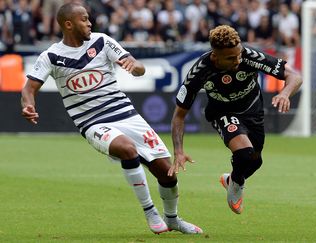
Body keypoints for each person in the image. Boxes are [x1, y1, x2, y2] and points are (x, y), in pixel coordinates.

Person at [20, 2, 202, 234]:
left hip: (126, 114)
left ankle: (173, 219)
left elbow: (137, 66)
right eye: (84, 19)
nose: (89, 23)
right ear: (68, 24)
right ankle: (150, 212)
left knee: (167, 173)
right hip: (93, 122)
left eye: (88, 19)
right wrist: (28, 106)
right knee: (127, 149)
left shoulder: (102, 41)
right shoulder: (51, 56)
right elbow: (29, 89)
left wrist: (135, 67)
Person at [169, 25, 302, 214]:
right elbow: (178, 116)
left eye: (238, 54)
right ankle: (237, 186)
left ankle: (232, 179)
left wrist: (285, 93)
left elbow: (294, 76)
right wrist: (179, 151)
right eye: (231, 58)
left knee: (255, 161)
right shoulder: (200, 71)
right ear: (215, 56)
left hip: (252, 111)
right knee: (244, 153)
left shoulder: (249, 56)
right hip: (222, 112)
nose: (238, 60)